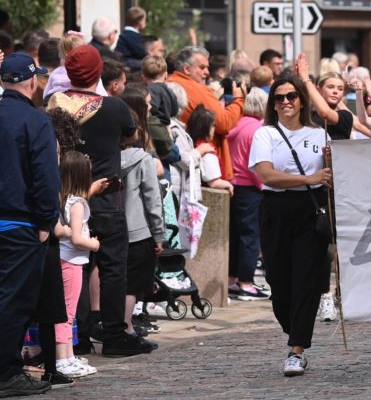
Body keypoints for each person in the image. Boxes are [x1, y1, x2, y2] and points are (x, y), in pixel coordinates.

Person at [46, 46, 147, 356]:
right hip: (107, 195)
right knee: (114, 267)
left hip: (68, 195)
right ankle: (115, 334)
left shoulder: (54, 105)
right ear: (98, 72)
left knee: (76, 264)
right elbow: (130, 133)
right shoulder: (115, 107)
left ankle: (80, 335)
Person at [248, 77, 333, 377]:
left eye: (292, 96)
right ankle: (294, 327)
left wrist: (329, 172)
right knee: (279, 282)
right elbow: (267, 175)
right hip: (276, 210)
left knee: (306, 280)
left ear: (301, 100)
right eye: (280, 97)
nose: (286, 102)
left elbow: (331, 173)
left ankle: (297, 349)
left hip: (311, 210)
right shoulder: (265, 134)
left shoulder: (317, 134)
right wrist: (308, 178)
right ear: (273, 103)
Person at [0, 53, 60, 396]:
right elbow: (45, 177)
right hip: (19, 221)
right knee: (14, 301)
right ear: (32, 82)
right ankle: (6, 373)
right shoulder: (35, 120)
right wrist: (45, 220)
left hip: (13, 217)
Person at [119, 86, 165, 348]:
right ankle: (126, 327)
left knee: (115, 279)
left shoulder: (107, 158)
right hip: (139, 230)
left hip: (112, 227)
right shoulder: (143, 160)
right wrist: (159, 234)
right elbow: (152, 199)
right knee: (132, 284)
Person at [55, 151, 102, 379]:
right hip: (72, 262)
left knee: (67, 312)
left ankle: (68, 356)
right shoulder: (78, 204)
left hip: (67, 260)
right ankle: (63, 359)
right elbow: (76, 238)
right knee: (68, 313)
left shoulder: (65, 198)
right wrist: (94, 244)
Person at [168, 46, 245, 181]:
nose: (207, 72)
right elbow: (223, 123)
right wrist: (239, 100)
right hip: (203, 167)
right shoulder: (198, 90)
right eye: (202, 67)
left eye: (207, 67)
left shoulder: (168, 83)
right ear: (186, 69)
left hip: (180, 163)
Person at [226, 88, 270, 301]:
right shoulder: (257, 130)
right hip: (251, 187)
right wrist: (265, 186)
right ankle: (246, 282)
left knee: (236, 236)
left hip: (234, 185)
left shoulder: (238, 124)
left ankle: (233, 280)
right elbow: (255, 165)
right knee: (250, 237)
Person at [188, 105, 235, 195]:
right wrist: (229, 185)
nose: (214, 128)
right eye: (213, 125)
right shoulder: (207, 153)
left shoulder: (192, 146)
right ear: (205, 128)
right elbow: (213, 182)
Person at [115, 7, 148, 71]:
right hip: (128, 64)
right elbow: (141, 53)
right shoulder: (131, 35)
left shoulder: (127, 33)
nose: (145, 22)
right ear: (139, 21)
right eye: (144, 20)